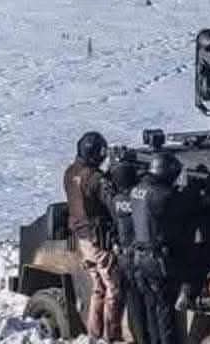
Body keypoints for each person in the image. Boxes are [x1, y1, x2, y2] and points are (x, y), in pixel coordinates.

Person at [64, 131, 122, 342]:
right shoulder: (95, 178)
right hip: (98, 240)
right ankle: (110, 335)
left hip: (82, 238)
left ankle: (94, 334)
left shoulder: (70, 172)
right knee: (113, 288)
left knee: (98, 287)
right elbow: (113, 204)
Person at [130, 151, 190, 344]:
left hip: (139, 259)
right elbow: (184, 206)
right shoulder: (162, 195)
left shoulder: (137, 190)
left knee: (150, 308)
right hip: (157, 262)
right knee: (165, 312)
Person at [109, 158, 145, 344]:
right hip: (141, 256)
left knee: (132, 303)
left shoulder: (116, 201)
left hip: (125, 257)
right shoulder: (139, 199)